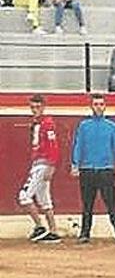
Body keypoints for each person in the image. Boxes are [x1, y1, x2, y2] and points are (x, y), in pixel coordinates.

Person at [71, 93, 115, 245]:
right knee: (87, 205)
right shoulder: (84, 126)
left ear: (104, 106)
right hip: (87, 169)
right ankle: (84, 234)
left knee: (111, 204)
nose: (98, 107)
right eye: (96, 104)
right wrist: (75, 164)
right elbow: (78, 146)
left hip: (106, 170)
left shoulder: (112, 127)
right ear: (91, 106)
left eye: (101, 104)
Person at [19, 95, 62, 244]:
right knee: (44, 199)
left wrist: (51, 166)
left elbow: (53, 145)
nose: (35, 110)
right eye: (32, 107)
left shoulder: (47, 123)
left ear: (43, 107)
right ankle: (54, 231)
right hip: (39, 163)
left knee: (24, 196)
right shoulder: (38, 123)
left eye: (37, 107)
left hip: (42, 164)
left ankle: (40, 226)